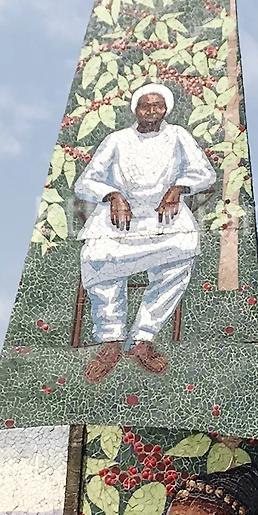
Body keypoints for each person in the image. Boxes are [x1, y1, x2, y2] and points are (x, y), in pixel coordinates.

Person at [73, 83, 216, 380]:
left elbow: (205, 173)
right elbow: (85, 182)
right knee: (97, 255)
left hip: (164, 216)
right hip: (118, 217)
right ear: (135, 109)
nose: (151, 111)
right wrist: (113, 195)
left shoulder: (178, 136)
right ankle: (111, 341)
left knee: (181, 254)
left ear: (166, 109)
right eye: (145, 106)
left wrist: (178, 188)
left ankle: (142, 338)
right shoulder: (117, 140)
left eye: (157, 105)